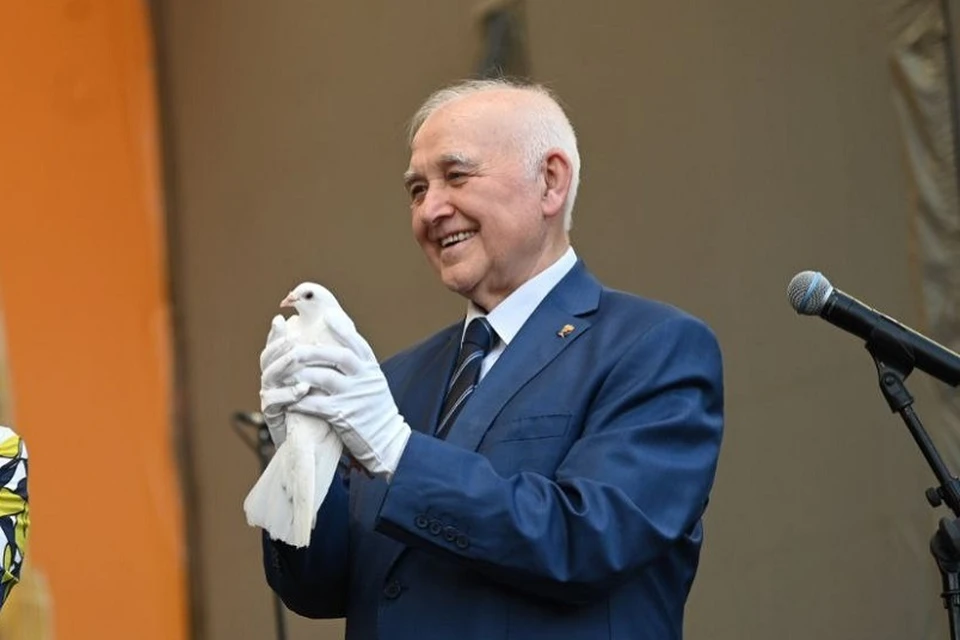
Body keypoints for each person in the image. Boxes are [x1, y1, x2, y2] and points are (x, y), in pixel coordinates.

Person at [257, 78, 724, 639]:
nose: (430, 210)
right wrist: (300, 455)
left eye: (456, 176)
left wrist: (398, 451)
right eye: (416, 189)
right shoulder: (395, 380)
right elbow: (317, 590)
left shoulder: (653, 347)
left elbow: (591, 540)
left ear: (550, 182)